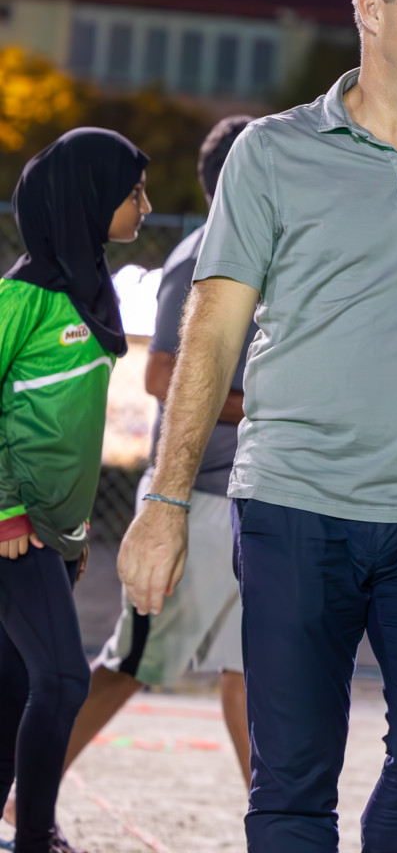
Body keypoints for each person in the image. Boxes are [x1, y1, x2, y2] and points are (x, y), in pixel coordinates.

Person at [115, 0, 397, 853]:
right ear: (369, 6)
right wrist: (166, 498)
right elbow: (212, 331)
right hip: (293, 504)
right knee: (292, 782)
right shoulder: (270, 153)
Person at [58, 117, 257, 798]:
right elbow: (159, 376)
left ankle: (284, 830)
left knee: (251, 670)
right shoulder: (204, 254)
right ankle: (21, 790)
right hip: (194, 501)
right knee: (131, 661)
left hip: (254, 500)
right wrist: (264, 408)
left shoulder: (274, 255)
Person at [0, 128, 151, 853]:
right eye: (134, 192)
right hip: (8, 529)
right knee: (61, 679)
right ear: (88, 199)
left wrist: (72, 531)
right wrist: (8, 513)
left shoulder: (91, 299)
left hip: (49, 535)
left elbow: (71, 431)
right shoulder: (20, 300)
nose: (145, 205)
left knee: (11, 690)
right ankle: (34, 837)